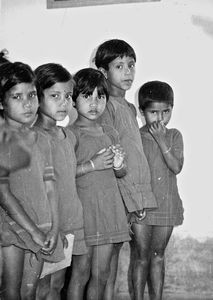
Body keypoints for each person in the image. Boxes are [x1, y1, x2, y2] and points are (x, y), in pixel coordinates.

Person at [94, 38, 157, 299]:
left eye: (131, 65)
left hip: (139, 191)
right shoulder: (105, 106)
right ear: (103, 72)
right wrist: (129, 201)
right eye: (119, 66)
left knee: (141, 254)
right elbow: (114, 156)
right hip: (121, 194)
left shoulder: (130, 107)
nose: (128, 72)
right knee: (108, 263)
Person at [0, 61, 64, 300]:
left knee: (30, 292)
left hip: (43, 225)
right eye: (17, 97)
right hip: (11, 227)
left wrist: (55, 227)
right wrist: (34, 232)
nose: (27, 103)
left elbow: (50, 186)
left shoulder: (41, 140)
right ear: (1, 102)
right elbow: (4, 194)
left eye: (32, 95)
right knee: (11, 293)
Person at [68, 67, 130, 300]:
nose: (94, 103)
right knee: (80, 274)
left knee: (101, 274)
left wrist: (118, 164)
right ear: (74, 100)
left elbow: (122, 173)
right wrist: (92, 165)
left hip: (109, 211)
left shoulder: (111, 132)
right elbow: (64, 175)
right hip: (83, 213)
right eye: (87, 96)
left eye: (100, 96)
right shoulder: (70, 134)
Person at [34, 62, 87, 300]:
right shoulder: (32, 137)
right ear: (36, 96)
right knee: (40, 287)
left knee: (56, 286)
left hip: (71, 222)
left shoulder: (68, 136)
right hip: (46, 226)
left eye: (68, 96)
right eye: (55, 95)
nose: (64, 102)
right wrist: (52, 228)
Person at [136, 80, 184, 299]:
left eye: (166, 111)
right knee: (141, 257)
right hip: (141, 207)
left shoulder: (174, 135)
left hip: (166, 204)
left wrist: (161, 140)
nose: (160, 118)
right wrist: (135, 204)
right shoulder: (135, 137)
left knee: (158, 255)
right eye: (153, 112)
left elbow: (176, 167)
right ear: (142, 112)